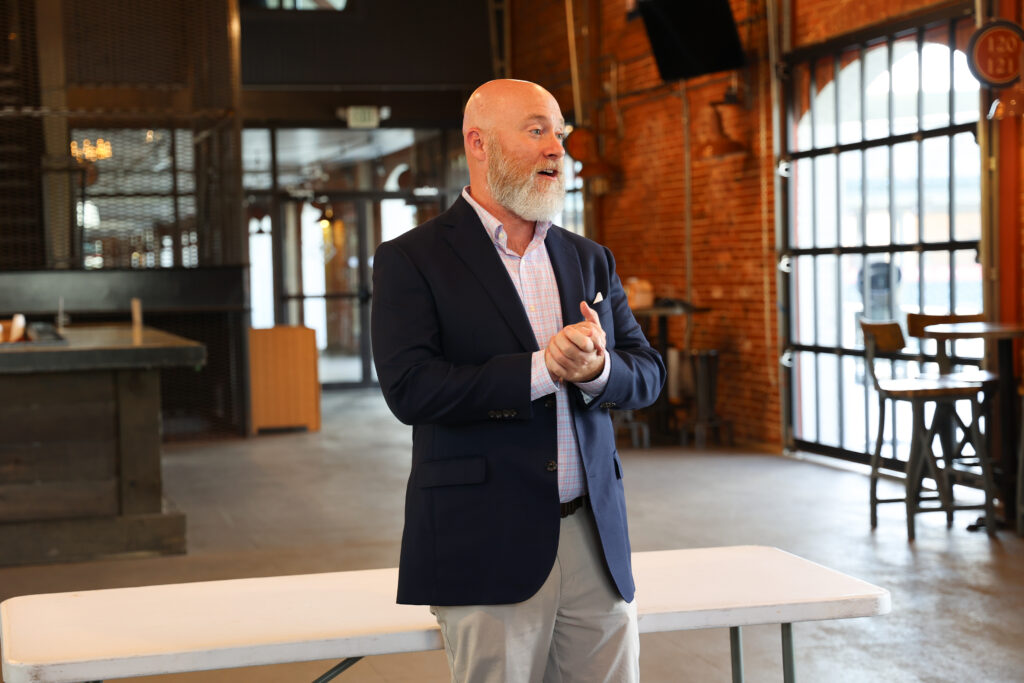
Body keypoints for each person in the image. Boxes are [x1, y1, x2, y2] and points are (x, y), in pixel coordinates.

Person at [371, 79, 665, 683]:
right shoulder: (412, 259)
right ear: (479, 144)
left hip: (593, 539)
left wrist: (598, 370)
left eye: (560, 133)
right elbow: (411, 388)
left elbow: (647, 372)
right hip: (485, 537)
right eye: (536, 131)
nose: (556, 148)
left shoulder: (590, 258)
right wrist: (542, 370)